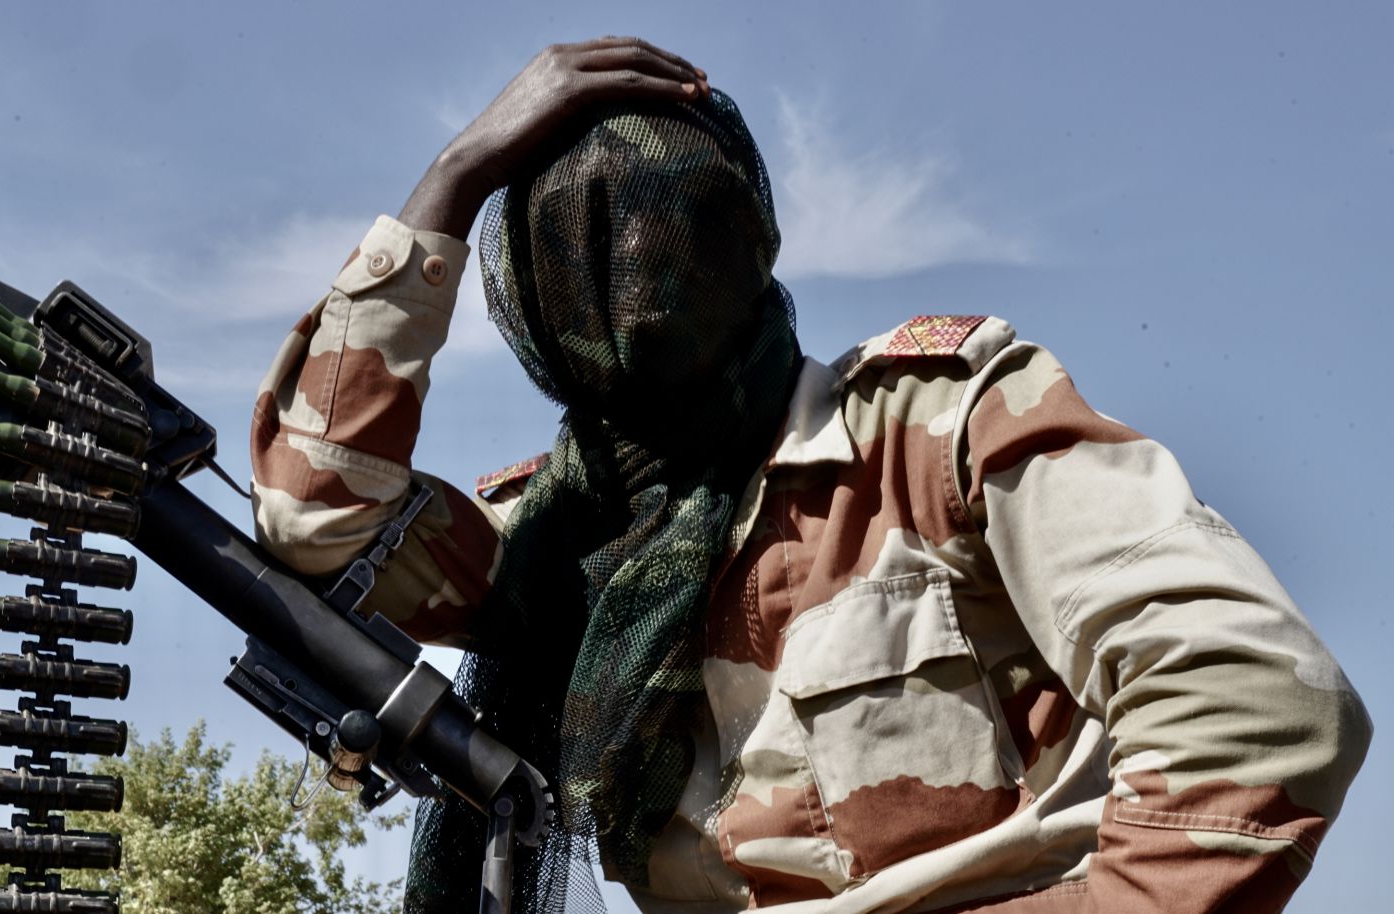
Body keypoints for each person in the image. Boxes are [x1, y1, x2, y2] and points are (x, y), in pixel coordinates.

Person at [249, 38, 1370, 913]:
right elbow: (315, 517)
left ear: (741, 233)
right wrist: (448, 182)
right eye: (571, 245)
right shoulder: (554, 543)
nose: (622, 271)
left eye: (660, 231)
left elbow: (1263, 705)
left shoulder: (941, 429)